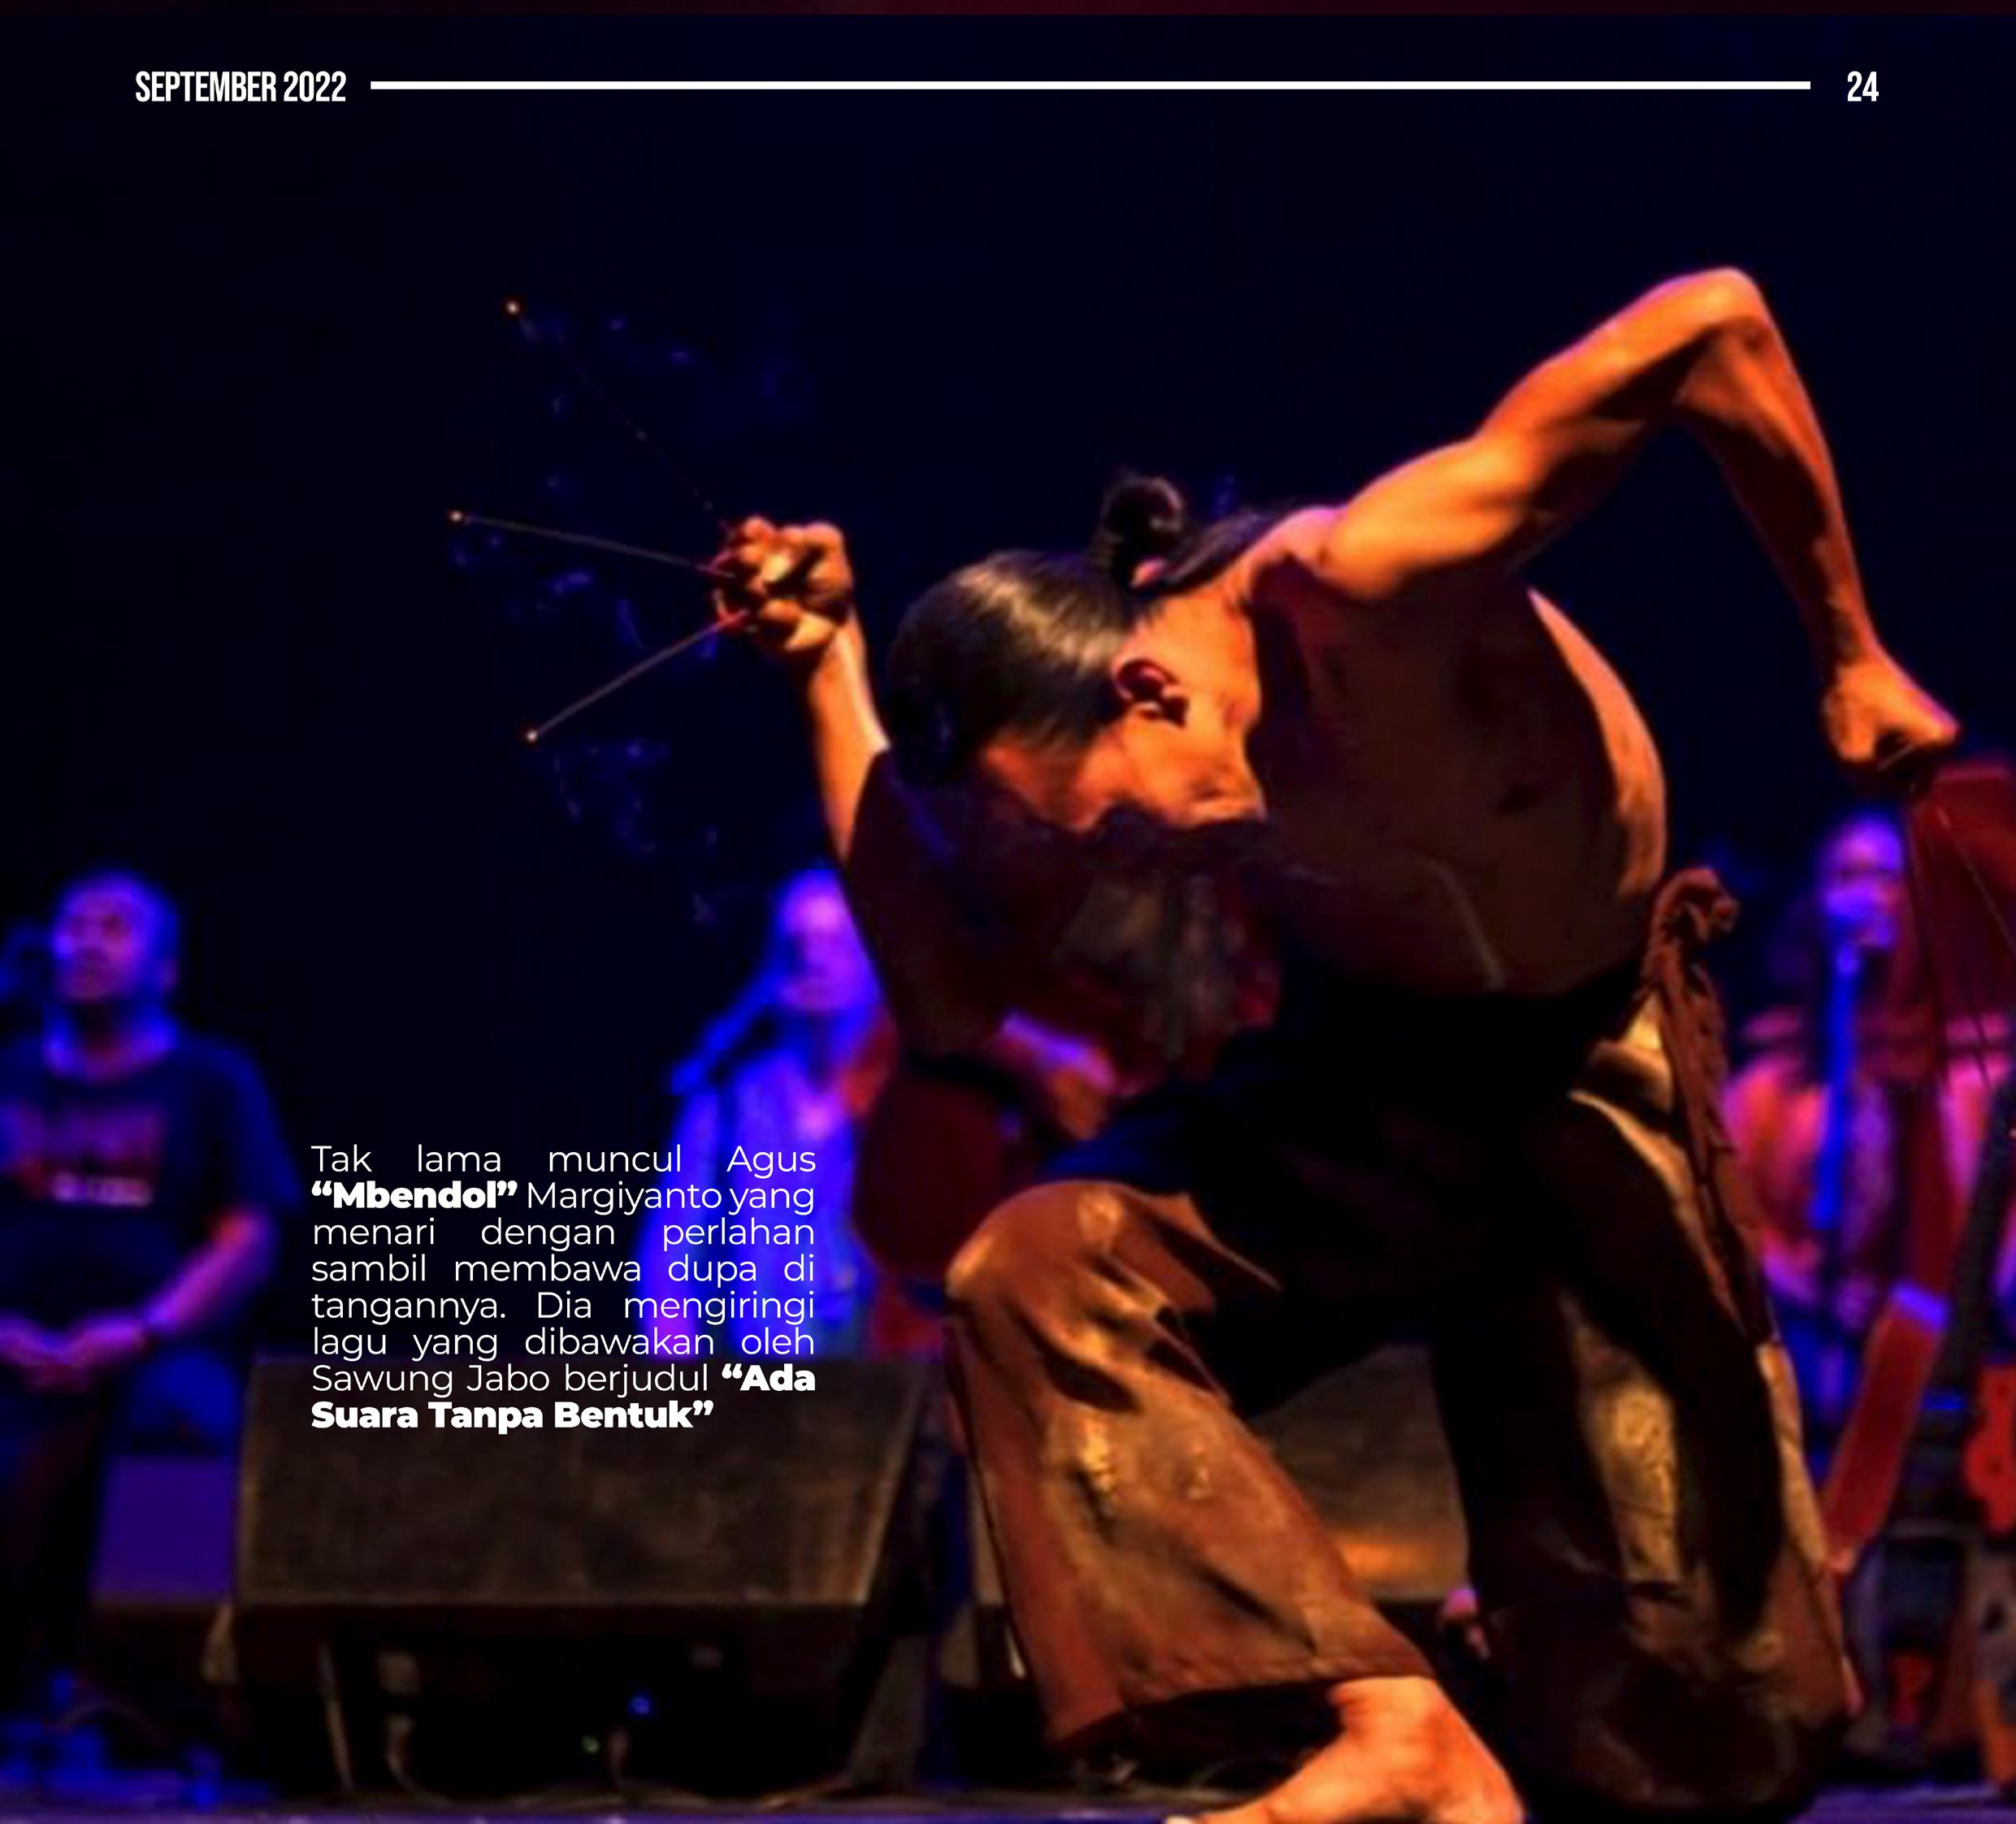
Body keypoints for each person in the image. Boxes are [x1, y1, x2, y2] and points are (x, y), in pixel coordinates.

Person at [709, 270, 1958, 1822]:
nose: (1115, 878)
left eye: (1106, 832)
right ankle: (1388, 1725)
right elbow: (950, 998)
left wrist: (1848, 648)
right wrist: (824, 667)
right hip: (1368, 1084)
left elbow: (1713, 323)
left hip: (1596, 1066)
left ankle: (1534, 1691)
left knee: (1722, 1737)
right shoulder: (1097, 751)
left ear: (1149, 689)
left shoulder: (1366, 584)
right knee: (1031, 1277)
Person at [0, 872, 293, 1722]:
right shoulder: (10, 1074)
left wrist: (142, 1330)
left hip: (156, 1356)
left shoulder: (211, 1080)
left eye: (115, 927)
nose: (88, 941)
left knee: (185, 1423)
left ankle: (153, 1700)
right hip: (14, 1351)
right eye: (75, 924)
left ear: (165, 968)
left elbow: (247, 1235)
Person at [1728, 809, 2014, 1466]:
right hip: (1814, 1359)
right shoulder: (1770, 1082)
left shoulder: (1979, 1069)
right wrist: (1793, 1280)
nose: (1866, 895)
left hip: (1957, 1360)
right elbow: (1724, 1216)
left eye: (1886, 876)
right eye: (1845, 876)